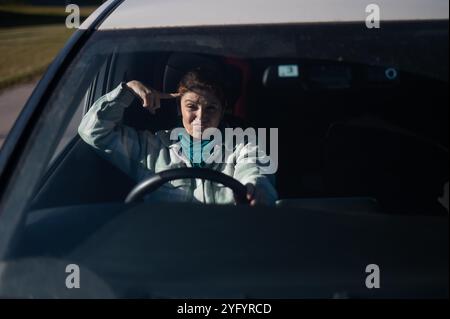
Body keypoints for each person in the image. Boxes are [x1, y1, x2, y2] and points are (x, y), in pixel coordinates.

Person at [78, 68, 278, 206]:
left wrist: (255, 188)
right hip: (166, 250)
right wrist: (128, 90)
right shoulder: (151, 148)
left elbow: (254, 170)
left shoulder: (243, 144)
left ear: (223, 110)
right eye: (191, 106)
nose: (201, 117)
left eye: (211, 108)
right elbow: (94, 132)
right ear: (179, 107)